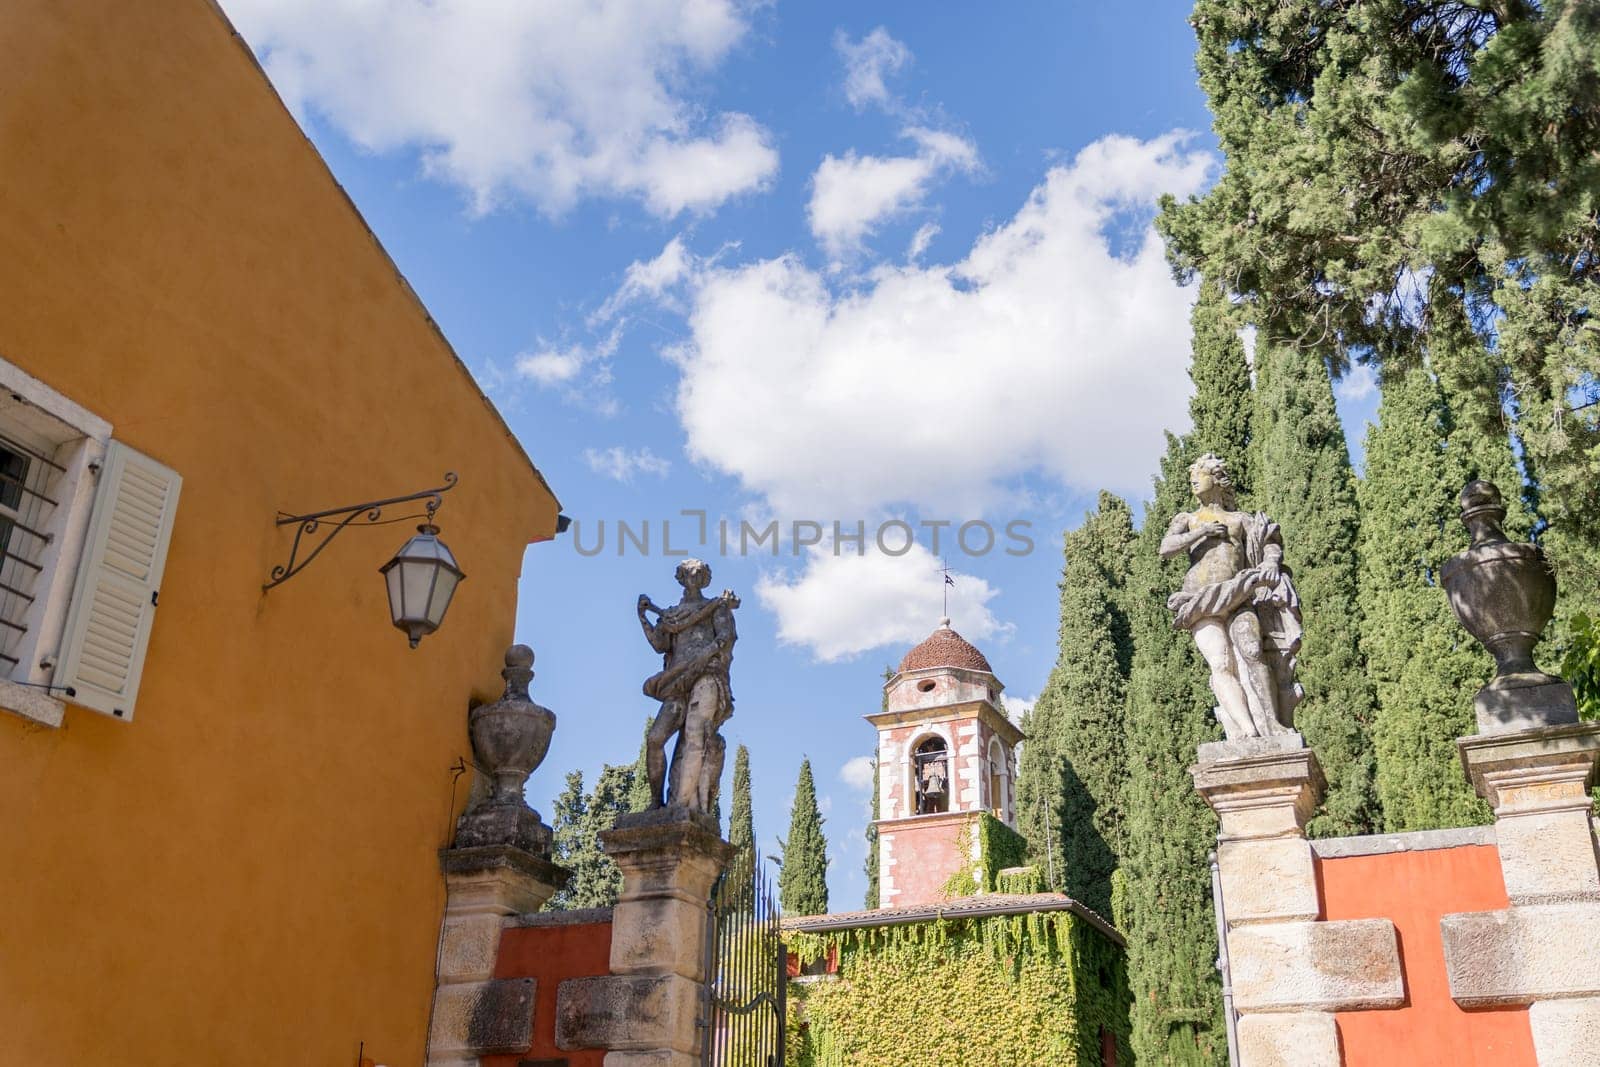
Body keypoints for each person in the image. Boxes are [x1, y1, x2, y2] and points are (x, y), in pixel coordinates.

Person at [1160, 454, 1303, 740]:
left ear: (1215, 479)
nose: (1193, 481)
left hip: (1238, 594)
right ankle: (1244, 731)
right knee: (1221, 663)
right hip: (1200, 602)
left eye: (1199, 476)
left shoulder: (1239, 519)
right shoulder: (1188, 519)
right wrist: (1201, 532)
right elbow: (1166, 548)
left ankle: (1272, 723)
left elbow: (1269, 543)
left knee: (1252, 650)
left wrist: (1271, 564)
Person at [637, 558, 739, 812]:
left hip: (706, 675)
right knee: (655, 738)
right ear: (681, 578)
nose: (693, 579)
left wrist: (706, 654)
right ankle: (655, 802)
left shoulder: (715, 607)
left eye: (698, 574)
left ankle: (683, 803)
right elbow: (660, 644)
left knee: (695, 736)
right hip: (677, 681)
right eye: (688, 574)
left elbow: (725, 637)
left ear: (705, 579)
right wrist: (642, 616)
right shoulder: (672, 615)